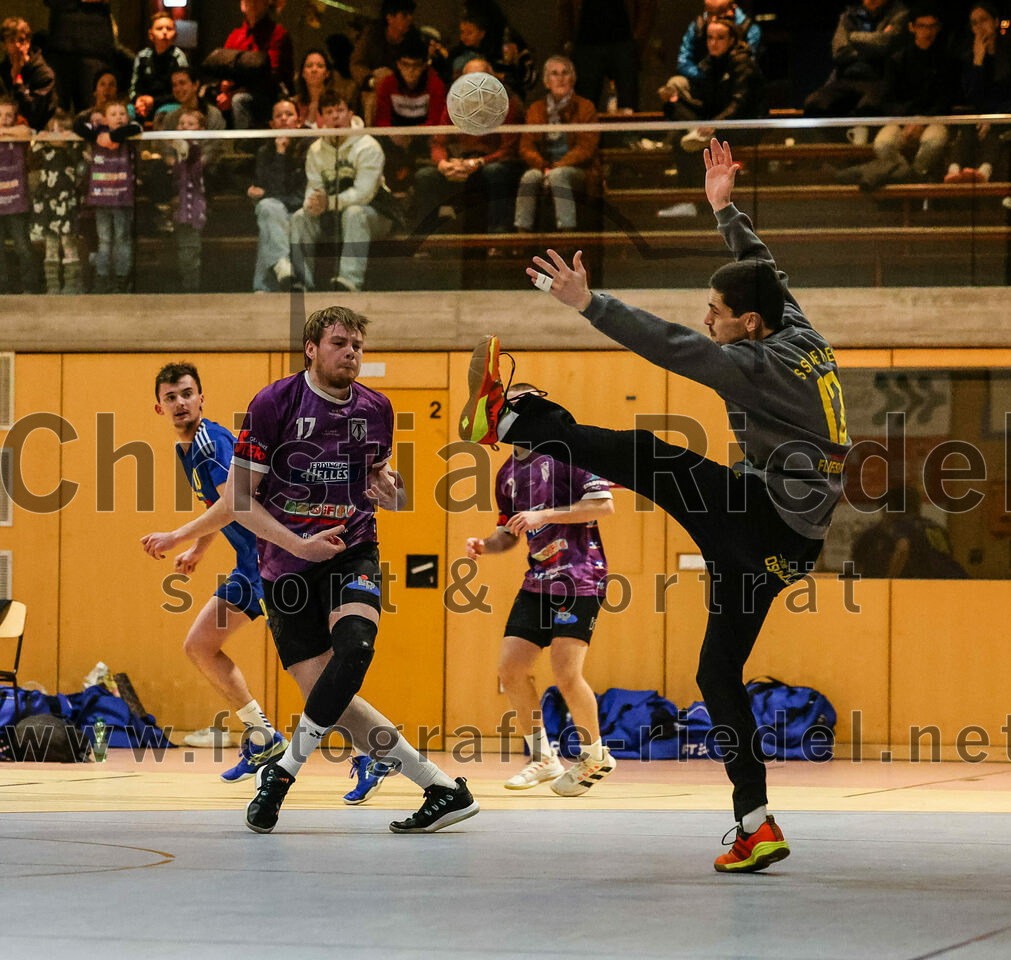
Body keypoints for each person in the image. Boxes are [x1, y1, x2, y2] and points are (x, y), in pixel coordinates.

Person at [458, 138, 852, 873]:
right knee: (716, 675)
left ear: (750, 326)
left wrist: (588, 302)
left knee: (653, 458)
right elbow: (770, 270)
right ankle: (756, 822)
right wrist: (724, 208)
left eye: (718, 312)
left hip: (764, 518)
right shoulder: (799, 330)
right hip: (788, 546)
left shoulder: (759, 363)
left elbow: (670, 347)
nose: (709, 320)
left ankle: (512, 422)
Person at [227, 305, 479, 834]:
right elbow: (239, 501)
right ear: (311, 349)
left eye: (358, 345)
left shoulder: (377, 408)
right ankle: (440, 787)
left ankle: (284, 770)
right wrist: (299, 542)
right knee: (335, 700)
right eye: (340, 343)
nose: (352, 353)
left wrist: (395, 492)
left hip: (352, 549)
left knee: (357, 648)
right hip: (286, 568)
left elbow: (387, 484)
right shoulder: (274, 403)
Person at [141, 363, 287, 782]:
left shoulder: (212, 442)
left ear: (202, 399)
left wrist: (174, 536)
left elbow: (235, 504)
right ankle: (263, 737)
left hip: (277, 563)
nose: (180, 403)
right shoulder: (187, 450)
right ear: (159, 408)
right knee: (201, 645)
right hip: (249, 566)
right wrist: (198, 548)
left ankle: (372, 752)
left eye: (187, 394)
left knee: (310, 668)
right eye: (171, 397)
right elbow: (216, 506)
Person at [470, 383, 617, 793]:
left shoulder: (567, 455)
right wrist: (486, 544)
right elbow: (508, 534)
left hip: (580, 577)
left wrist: (546, 514)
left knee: (566, 673)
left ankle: (595, 756)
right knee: (511, 668)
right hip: (537, 581)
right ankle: (544, 758)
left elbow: (604, 504)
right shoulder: (506, 474)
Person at [287, 85, 398, 292]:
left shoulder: (368, 146)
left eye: (340, 110)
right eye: (329, 112)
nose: (335, 117)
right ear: (321, 119)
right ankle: (301, 281)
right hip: (332, 214)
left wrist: (328, 203)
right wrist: (312, 204)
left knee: (354, 213)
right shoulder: (315, 150)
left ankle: (349, 281)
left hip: (376, 214)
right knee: (300, 217)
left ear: (350, 113)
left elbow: (364, 194)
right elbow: (314, 188)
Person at [837, 5, 958, 191]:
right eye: (922, 26)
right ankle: (907, 175)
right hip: (902, 118)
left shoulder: (947, 61)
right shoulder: (897, 60)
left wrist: (921, 121)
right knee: (883, 143)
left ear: (938, 28)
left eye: (932, 26)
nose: (928, 31)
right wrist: (908, 120)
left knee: (933, 142)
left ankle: (911, 177)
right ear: (912, 27)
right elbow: (888, 99)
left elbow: (945, 100)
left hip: (935, 119)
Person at [657, 18, 763, 217]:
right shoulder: (707, 64)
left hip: (741, 127)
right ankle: (689, 200)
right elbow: (701, 102)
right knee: (678, 118)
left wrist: (715, 125)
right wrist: (672, 99)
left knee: (696, 144)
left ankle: (696, 202)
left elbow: (739, 105)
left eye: (720, 38)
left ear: (732, 40)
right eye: (710, 38)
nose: (714, 43)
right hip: (714, 123)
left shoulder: (743, 64)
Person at [414, 58, 523, 240]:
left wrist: (478, 162)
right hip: (461, 162)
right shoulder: (455, 103)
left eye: (482, 78)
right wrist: (442, 163)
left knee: (495, 172)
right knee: (425, 176)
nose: (476, 85)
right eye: (470, 79)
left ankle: (498, 237)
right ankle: (425, 240)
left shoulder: (508, 104)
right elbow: (438, 142)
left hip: (492, 163)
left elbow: (508, 149)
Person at [514, 56, 599, 233]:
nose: (560, 78)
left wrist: (556, 166)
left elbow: (586, 148)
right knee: (529, 177)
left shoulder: (586, 107)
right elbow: (526, 146)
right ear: (546, 82)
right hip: (544, 166)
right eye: (554, 74)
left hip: (577, 169)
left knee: (558, 175)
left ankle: (567, 233)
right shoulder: (536, 108)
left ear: (572, 79)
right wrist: (543, 166)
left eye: (564, 73)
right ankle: (522, 234)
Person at [945, 2, 1011, 185]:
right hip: (979, 116)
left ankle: (983, 172)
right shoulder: (968, 55)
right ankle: (954, 171)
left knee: (996, 129)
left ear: (995, 22)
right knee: (966, 126)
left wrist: (994, 116)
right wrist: (978, 62)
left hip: (1009, 115)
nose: (980, 27)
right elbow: (971, 95)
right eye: (974, 23)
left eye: (984, 20)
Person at [76, 99, 141, 293]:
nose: (119, 118)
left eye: (122, 114)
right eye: (113, 114)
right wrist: (99, 134)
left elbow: (134, 128)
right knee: (104, 239)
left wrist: (111, 136)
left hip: (122, 196)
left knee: (122, 238)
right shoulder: (96, 131)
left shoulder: (130, 129)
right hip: (101, 196)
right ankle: (102, 277)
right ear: (104, 118)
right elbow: (77, 125)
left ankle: (122, 279)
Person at [804, 0, 910, 118]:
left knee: (868, 106)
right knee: (814, 103)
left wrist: (852, 37)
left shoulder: (900, 14)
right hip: (848, 77)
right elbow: (839, 52)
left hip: (881, 78)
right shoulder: (849, 15)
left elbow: (884, 43)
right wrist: (870, 49)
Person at [373, 29, 446, 193]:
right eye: (406, 65)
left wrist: (412, 136)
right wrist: (392, 133)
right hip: (394, 139)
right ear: (398, 64)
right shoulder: (388, 83)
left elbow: (436, 122)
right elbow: (381, 120)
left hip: (423, 140)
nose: (411, 71)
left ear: (425, 65)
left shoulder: (435, 84)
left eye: (416, 65)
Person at [556, 0, 657, 113]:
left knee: (628, 107)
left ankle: (628, 130)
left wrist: (638, 40)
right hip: (587, 44)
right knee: (585, 107)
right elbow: (565, 7)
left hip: (623, 42)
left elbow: (647, 6)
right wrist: (567, 40)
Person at [250, 97, 307, 292]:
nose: (283, 119)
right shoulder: (265, 152)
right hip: (276, 210)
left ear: (299, 122)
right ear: (272, 124)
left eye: (289, 114)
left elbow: (301, 194)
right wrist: (280, 153)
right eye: (278, 116)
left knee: (270, 216)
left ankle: (264, 286)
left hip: (302, 209)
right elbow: (270, 190)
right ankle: (287, 271)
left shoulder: (309, 148)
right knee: (268, 209)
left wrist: (269, 194)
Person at [31, 108, 85, 294]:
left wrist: (72, 135)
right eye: (55, 128)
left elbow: (82, 147)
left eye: (63, 129)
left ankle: (71, 285)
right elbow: (34, 143)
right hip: (47, 201)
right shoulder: (46, 148)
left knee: (68, 243)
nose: (58, 132)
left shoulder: (73, 150)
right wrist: (45, 133)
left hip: (65, 202)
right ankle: (52, 286)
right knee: (50, 245)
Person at [220, 0, 295, 129]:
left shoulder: (277, 33)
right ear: (243, 5)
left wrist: (233, 93)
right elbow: (224, 68)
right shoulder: (235, 36)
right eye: (249, 1)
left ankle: (243, 146)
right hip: (238, 90)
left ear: (266, 4)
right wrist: (225, 90)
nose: (253, 4)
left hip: (268, 94)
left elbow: (272, 76)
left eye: (257, 1)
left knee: (239, 100)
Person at [350, 0, 417, 125]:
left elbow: (417, 69)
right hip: (372, 90)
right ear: (390, 18)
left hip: (403, 92)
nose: (409, 19)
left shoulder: (414, 38)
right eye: (404, 15)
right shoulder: (371, 35)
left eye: (410, 15)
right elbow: (357, 64)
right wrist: (371, 81)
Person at [0, 98, 39, 294]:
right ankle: (3, 288)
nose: (4, 119)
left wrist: (4, 132)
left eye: (8, 115)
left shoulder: (18, 133)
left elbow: (27, 132)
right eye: (0, 115)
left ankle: (30, 286)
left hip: (16, 200)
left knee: (23, 245)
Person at [673, 0, 762, 84]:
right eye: (710, 37)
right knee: (676, 83)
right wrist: (705, 76)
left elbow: (748, 68)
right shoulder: (699, 25)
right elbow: (683, 61)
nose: (714, 19)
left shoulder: (749, 29)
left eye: (720, 37)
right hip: (705, 80)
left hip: (735, 81)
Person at [167, 109, 207, 293]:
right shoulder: (177, 151)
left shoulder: (196, 150)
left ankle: (191, 288)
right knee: (183, 249)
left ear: (201, 129)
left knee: (190, 249)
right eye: (181, 124)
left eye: (190, 124)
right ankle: (185, 285)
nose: (184, 128)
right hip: (178, 207)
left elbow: (192, 164)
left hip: (193, 208)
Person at [128, 13, 190, 126]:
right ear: (151, 34)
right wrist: (139, 101)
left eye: (169, 29)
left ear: (175, 34)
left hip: (170, 103)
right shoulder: (142, 56)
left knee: (163, 115)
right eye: (159, 28)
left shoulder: (178, 57)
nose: (165, 32)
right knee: (126, 112)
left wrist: (154, 101)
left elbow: (182, 92)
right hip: (144, 104)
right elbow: (134, 87)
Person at [0, 17, 57, 132]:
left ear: (28, 42)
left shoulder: (44, 74)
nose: (17, 45)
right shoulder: (2, 71)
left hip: (39, 135)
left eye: (21, 40)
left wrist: (18, 83)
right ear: (4, 45)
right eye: (11, 40)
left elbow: (35, 116)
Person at [292, 48, 343, 128]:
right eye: (309, 66)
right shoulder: (294, 104)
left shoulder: (337, 101)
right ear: (303, 73)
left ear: (327, 73)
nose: (314, 70)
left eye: (319, 66)